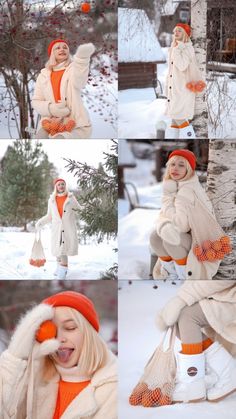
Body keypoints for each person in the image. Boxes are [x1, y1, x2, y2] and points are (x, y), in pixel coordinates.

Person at [0, 290, 117, 418]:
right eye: (52, 331)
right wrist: (14, 357)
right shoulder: (33, 380)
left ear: (89, 334)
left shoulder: (113, 389)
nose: (59, 338)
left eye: (70, 328)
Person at [150, 149, 231, 280]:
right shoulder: (176, 186)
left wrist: (167, 200)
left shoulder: (186, 191)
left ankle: (183, 275)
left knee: (170, 237)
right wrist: (164, 222)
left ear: (188, 169)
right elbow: (164, 217)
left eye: (181, 165)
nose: (175, 168)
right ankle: (171, 272)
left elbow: (181, 226)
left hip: (198, 243)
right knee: (155, 236)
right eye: (172, 164)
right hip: (187, 238)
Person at [156, 280, 236, 403]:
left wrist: (183, 298)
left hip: (229, 296)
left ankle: (192, 384)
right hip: (217, 294)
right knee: (175, 317)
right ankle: (223, 372)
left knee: (187, 315)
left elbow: (224, 278)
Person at [32, 39, 95, 139]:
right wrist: (52, 109)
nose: (62, 49)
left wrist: (82, 60)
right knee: (39, 138)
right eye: (58, 48)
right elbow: (36, 101)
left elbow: (80, 81)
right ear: (52, 53)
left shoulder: (73, 69)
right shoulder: (43, 75)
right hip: (51, 122)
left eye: (65, 47)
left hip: (75, 122)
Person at [164, 23, 206, 140]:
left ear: (185, 34)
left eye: (179, 31)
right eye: (175, 31)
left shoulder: (187, 47)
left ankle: (189, 138)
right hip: (174, 89)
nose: (176, 33)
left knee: (179, 118)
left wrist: (177, 49)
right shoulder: (175, 46)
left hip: (182, 90)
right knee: (174, 120)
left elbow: (182, 66)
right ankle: (174, 141)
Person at [35, 178, 80, 280]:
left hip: (68, 228)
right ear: (56, 186)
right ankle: (59, 267)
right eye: (59, 184)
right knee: (57, 250)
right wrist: (40, 222)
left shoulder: (71, 198)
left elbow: (80, 209)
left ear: (65, 186)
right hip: (56, 229)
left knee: (63, 251)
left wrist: (92, 204)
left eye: (63, 184)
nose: (61, 186)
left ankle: (63, 272)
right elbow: (49, 216)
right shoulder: (51, 200)